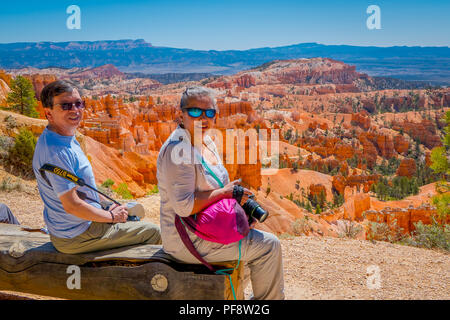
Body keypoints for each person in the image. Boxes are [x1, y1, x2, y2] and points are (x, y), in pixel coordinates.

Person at [157, 86, 284, 300]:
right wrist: (226, 193)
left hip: (207, 228)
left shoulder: (205, 142)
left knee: (250, 239)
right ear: (180, 114)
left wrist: (239, 207)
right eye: (195, 112)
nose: (203, 118)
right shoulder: (177, 150)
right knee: (269, 246)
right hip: (187, 239)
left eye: (210, 112)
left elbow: (216, 188)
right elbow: (184, 206)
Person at [32, 80, 161, 254]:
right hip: (78, 235)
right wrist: (111, 217)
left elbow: (80, 188)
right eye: (65, 105)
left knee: (133, 217)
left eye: (79, 103)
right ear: (48, 113)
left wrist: (107, 206)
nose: (75, 110)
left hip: (75, 228)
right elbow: (71, 205)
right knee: (153, 232)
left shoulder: (63, 137)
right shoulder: (57, 151)